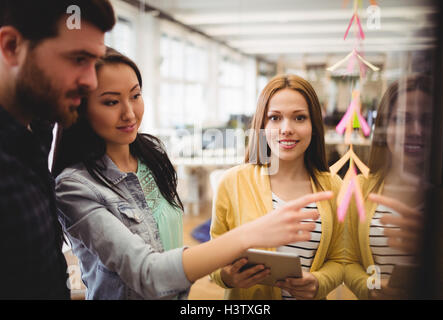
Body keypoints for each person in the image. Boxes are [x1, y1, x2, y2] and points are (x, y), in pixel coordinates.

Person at [52, 48, 333, 300]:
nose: (130, 113)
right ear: (81, 108)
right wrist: (250, 236)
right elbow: (148, 273)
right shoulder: (75, 187)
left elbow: (170, 246)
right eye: (111, 102)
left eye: (135, 96)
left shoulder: (151, 156)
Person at [0, 0, 115, 299]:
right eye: (78, 59)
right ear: (11, 46)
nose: (91, 81)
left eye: (94, 61)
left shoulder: (35, 124)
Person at [210, 74, 345, 300]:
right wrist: (227, 276)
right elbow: (214, 255)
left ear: (314, 126)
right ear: (262, 124)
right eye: (275, 118)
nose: (286, 129)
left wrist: (320, 282)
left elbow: (342, 259)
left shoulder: (333, 186)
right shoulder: (232, 182)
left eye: (300, 118)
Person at [344, 74, 432, 299]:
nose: (417, 131)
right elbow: (348, 262)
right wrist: (372, 287)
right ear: (384, 126)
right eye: (403, 120)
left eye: (427, 120)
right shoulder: (361, 188)